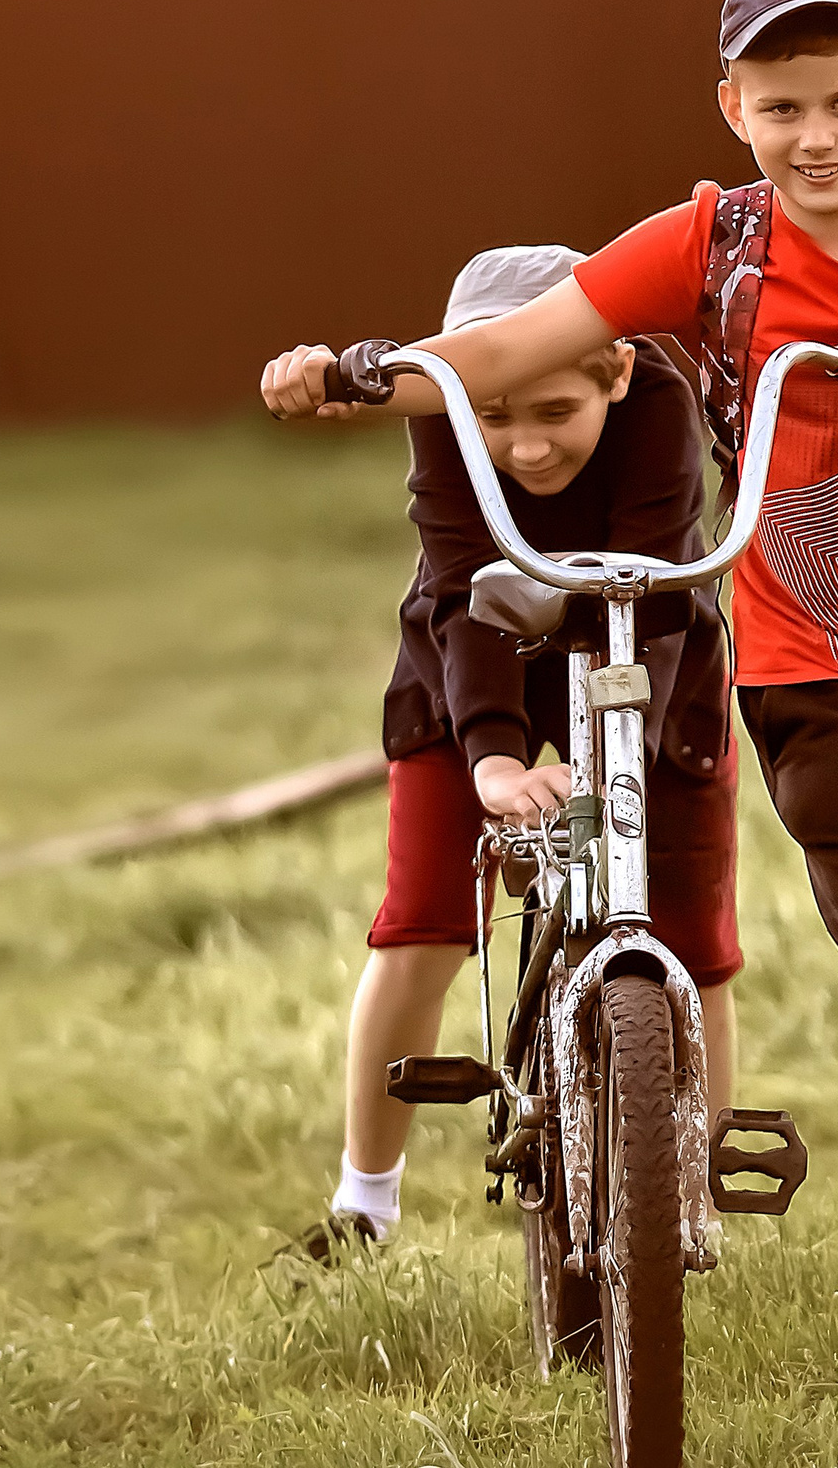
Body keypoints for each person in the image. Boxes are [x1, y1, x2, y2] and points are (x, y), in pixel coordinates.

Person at [261, 0, 838, 1354]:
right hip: (815, 662)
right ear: (735, 107)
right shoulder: (709, 247)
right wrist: (354, 369)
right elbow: (509, 350)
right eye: (783, 106)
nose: (818, 135)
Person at [269, 243, 740, 1260]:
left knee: (692, 939)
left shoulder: (659, 401)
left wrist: (614, 754)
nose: (524, 447)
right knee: (422, 926)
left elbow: (653, 598)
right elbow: (462, 590)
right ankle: (365, 1201)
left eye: (553, 413)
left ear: (614, 372)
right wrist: (488, 759)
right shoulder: (443, 408)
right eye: (496, 415)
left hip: (645, 661)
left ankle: (685, 1204)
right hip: (468, 658)